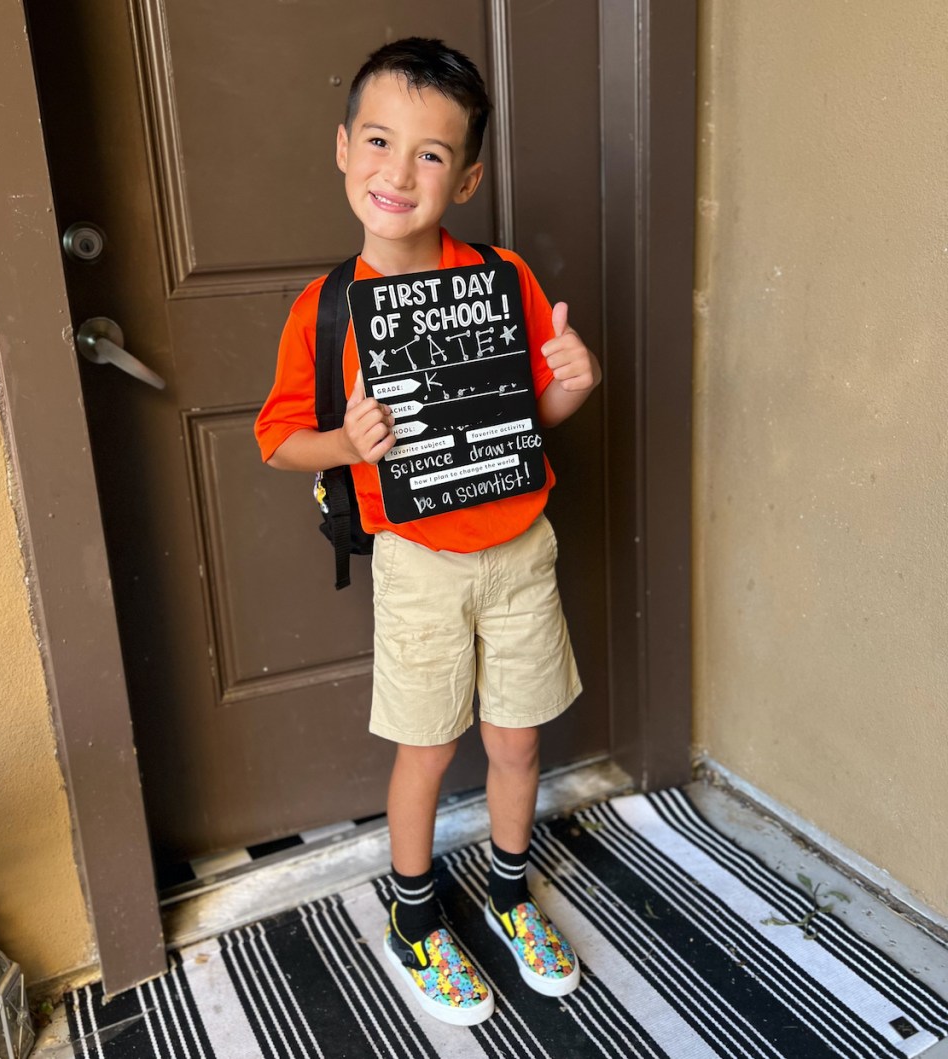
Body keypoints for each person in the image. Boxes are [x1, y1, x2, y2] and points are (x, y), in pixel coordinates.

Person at [255, 37, 601, 1026]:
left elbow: (524, 417)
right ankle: (413, 920)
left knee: (517, 741)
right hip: (417, 561)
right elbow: (278, 442)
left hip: (520, 551)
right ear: (341, 148)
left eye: (432, 153)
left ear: (469, 174)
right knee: (424, 748)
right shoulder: (326, 312)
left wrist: (566, 386)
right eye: (377, 141)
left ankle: (505, 893)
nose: (398, 173)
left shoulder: (500, 279)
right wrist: (343, 440)